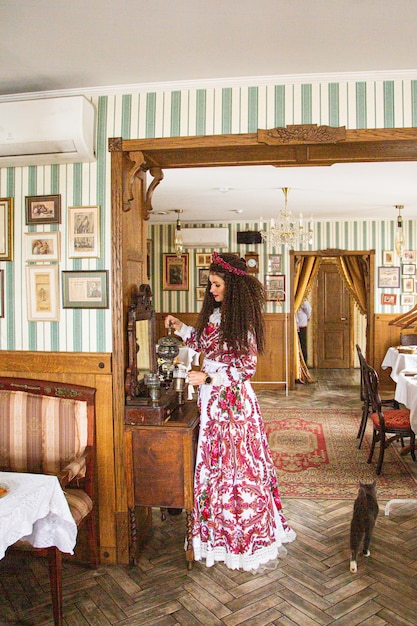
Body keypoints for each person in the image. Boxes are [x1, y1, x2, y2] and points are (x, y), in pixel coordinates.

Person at [164, 252, 296, 573]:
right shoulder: (217, 317)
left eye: (217, 284)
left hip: (233, 406)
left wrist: (209, 377)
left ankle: (240, 536)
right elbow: (205, 344)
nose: (212, 290)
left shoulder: (243, 322)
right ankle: (217, 535)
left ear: (232, 286)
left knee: (235, 469)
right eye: (211, 284)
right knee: (214, 465)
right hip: (212, 401)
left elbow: (245, 370)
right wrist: (182, 328)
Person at [296, 300, 312, 364]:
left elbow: (308, 309)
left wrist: (308, 317)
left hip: (301, 324)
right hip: (297, 323)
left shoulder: (301, 298)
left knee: (302, 344)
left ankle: (303, 363)